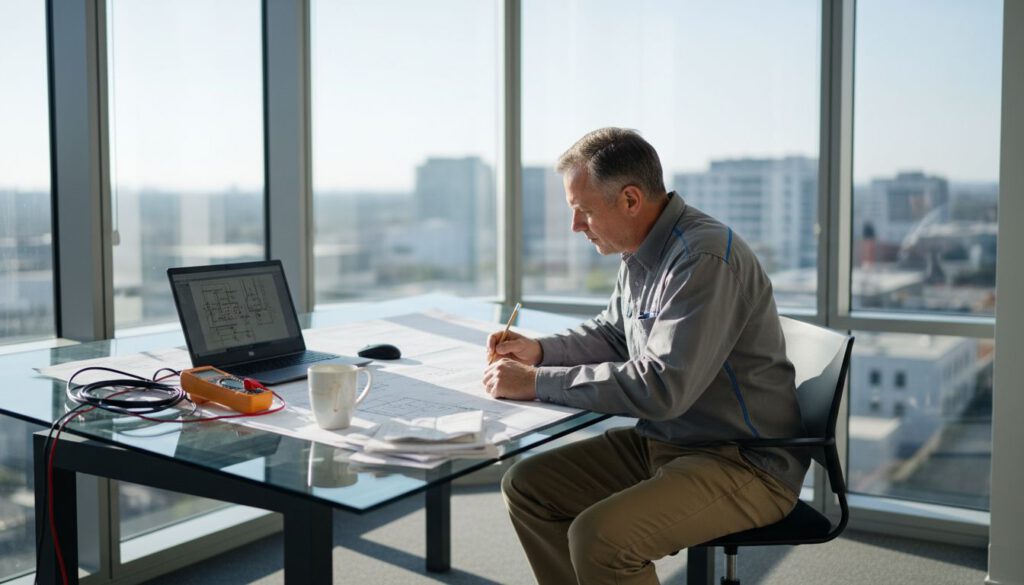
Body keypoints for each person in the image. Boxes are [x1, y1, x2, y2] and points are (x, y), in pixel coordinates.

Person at [482, 127, 807, 585]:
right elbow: (615, 335)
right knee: (528, 487)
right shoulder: (638, 252)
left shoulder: (702, 259)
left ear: (630, 200)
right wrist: (539, 353)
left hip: (742, 461)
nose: (576, 226)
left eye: (582, 211)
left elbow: (662, 388)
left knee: (600, 539)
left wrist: (536, 383)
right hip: (670, 442)